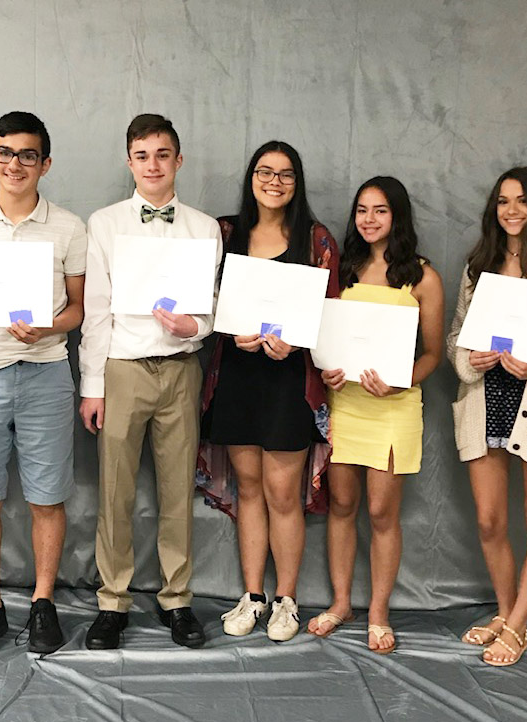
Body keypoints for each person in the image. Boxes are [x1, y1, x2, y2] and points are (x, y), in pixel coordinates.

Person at [0, 111, 86, 661]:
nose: (15, 163)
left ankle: (43, 602)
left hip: (46, 373)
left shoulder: (69, 227)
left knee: (47, 497)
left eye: (28, 154)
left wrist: (50, 325)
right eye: (6, 152)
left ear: (45, 163)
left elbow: (76, 309)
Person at [78, 113, 222, 650]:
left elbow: (211, 304)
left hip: (182, 369)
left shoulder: (204, 228)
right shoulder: (105, 223)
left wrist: (198, 326)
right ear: (129, 161)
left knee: (177, 490)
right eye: (142, 155)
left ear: (178, 160)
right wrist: (93, 384)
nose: (153, 165)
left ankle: (177, 598)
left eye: (163, 154)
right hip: (123, 369)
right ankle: (112, 601)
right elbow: (95, 309)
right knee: (114, 491)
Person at [198, 141, 339, 642]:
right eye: (265, 172)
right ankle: (253, 596)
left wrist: (296, 345)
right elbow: (200, 299)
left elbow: (330, 314)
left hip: (287, 381)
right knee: (249, 489)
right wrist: (223, 328)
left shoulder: (316, 239)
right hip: (235, 375)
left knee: (284, 493)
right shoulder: (225, 232)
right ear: (251, 177)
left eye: (285, 174)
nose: (274, 182)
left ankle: (287, 600)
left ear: (297, 183)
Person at [308, 176, 444, 653]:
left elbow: (433, 354)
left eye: (380, 210)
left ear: (398, 216)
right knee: (342, 506)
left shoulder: (422, 277)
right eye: (362, 210)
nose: (369, 219)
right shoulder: (341, 270)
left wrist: (402, 379)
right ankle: (342, 602)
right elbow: (327, 339)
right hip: (346, 403)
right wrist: (326, 371)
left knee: (383, 511)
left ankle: (380, 612)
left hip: (393, 406)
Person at [449, 167, 527, 667]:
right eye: (503, 201)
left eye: (522, 201)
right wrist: (470, 359)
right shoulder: (477, 267)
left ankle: (520, 624)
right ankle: (506, 612)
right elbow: (459, 335)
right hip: (486, 399)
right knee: (489, 520)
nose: (512, 210)